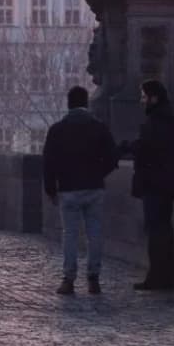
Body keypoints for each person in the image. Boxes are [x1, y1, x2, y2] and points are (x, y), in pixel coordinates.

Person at [41, 85, 118, 295]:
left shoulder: (57, 130)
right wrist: (98, 173)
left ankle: (69, 279)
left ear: (68, 104)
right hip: (94, 187)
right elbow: (112, 158)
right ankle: (93, 278)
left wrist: (51, 188)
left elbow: (48, 162)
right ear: (86, 104)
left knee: (70, 235)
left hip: (68, 188)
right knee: (95, 233)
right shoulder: (99, 127)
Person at [130, 79, 174, 291]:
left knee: (156, 231)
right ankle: (166, 276)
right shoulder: (167, 118)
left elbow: (149, 148)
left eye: (145, 96)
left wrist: (130, 147)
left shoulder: (158, 120)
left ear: (154, 97)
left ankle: (157, 277)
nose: (143, 101)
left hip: (156, 183)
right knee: (163, 230)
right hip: (165, 182)